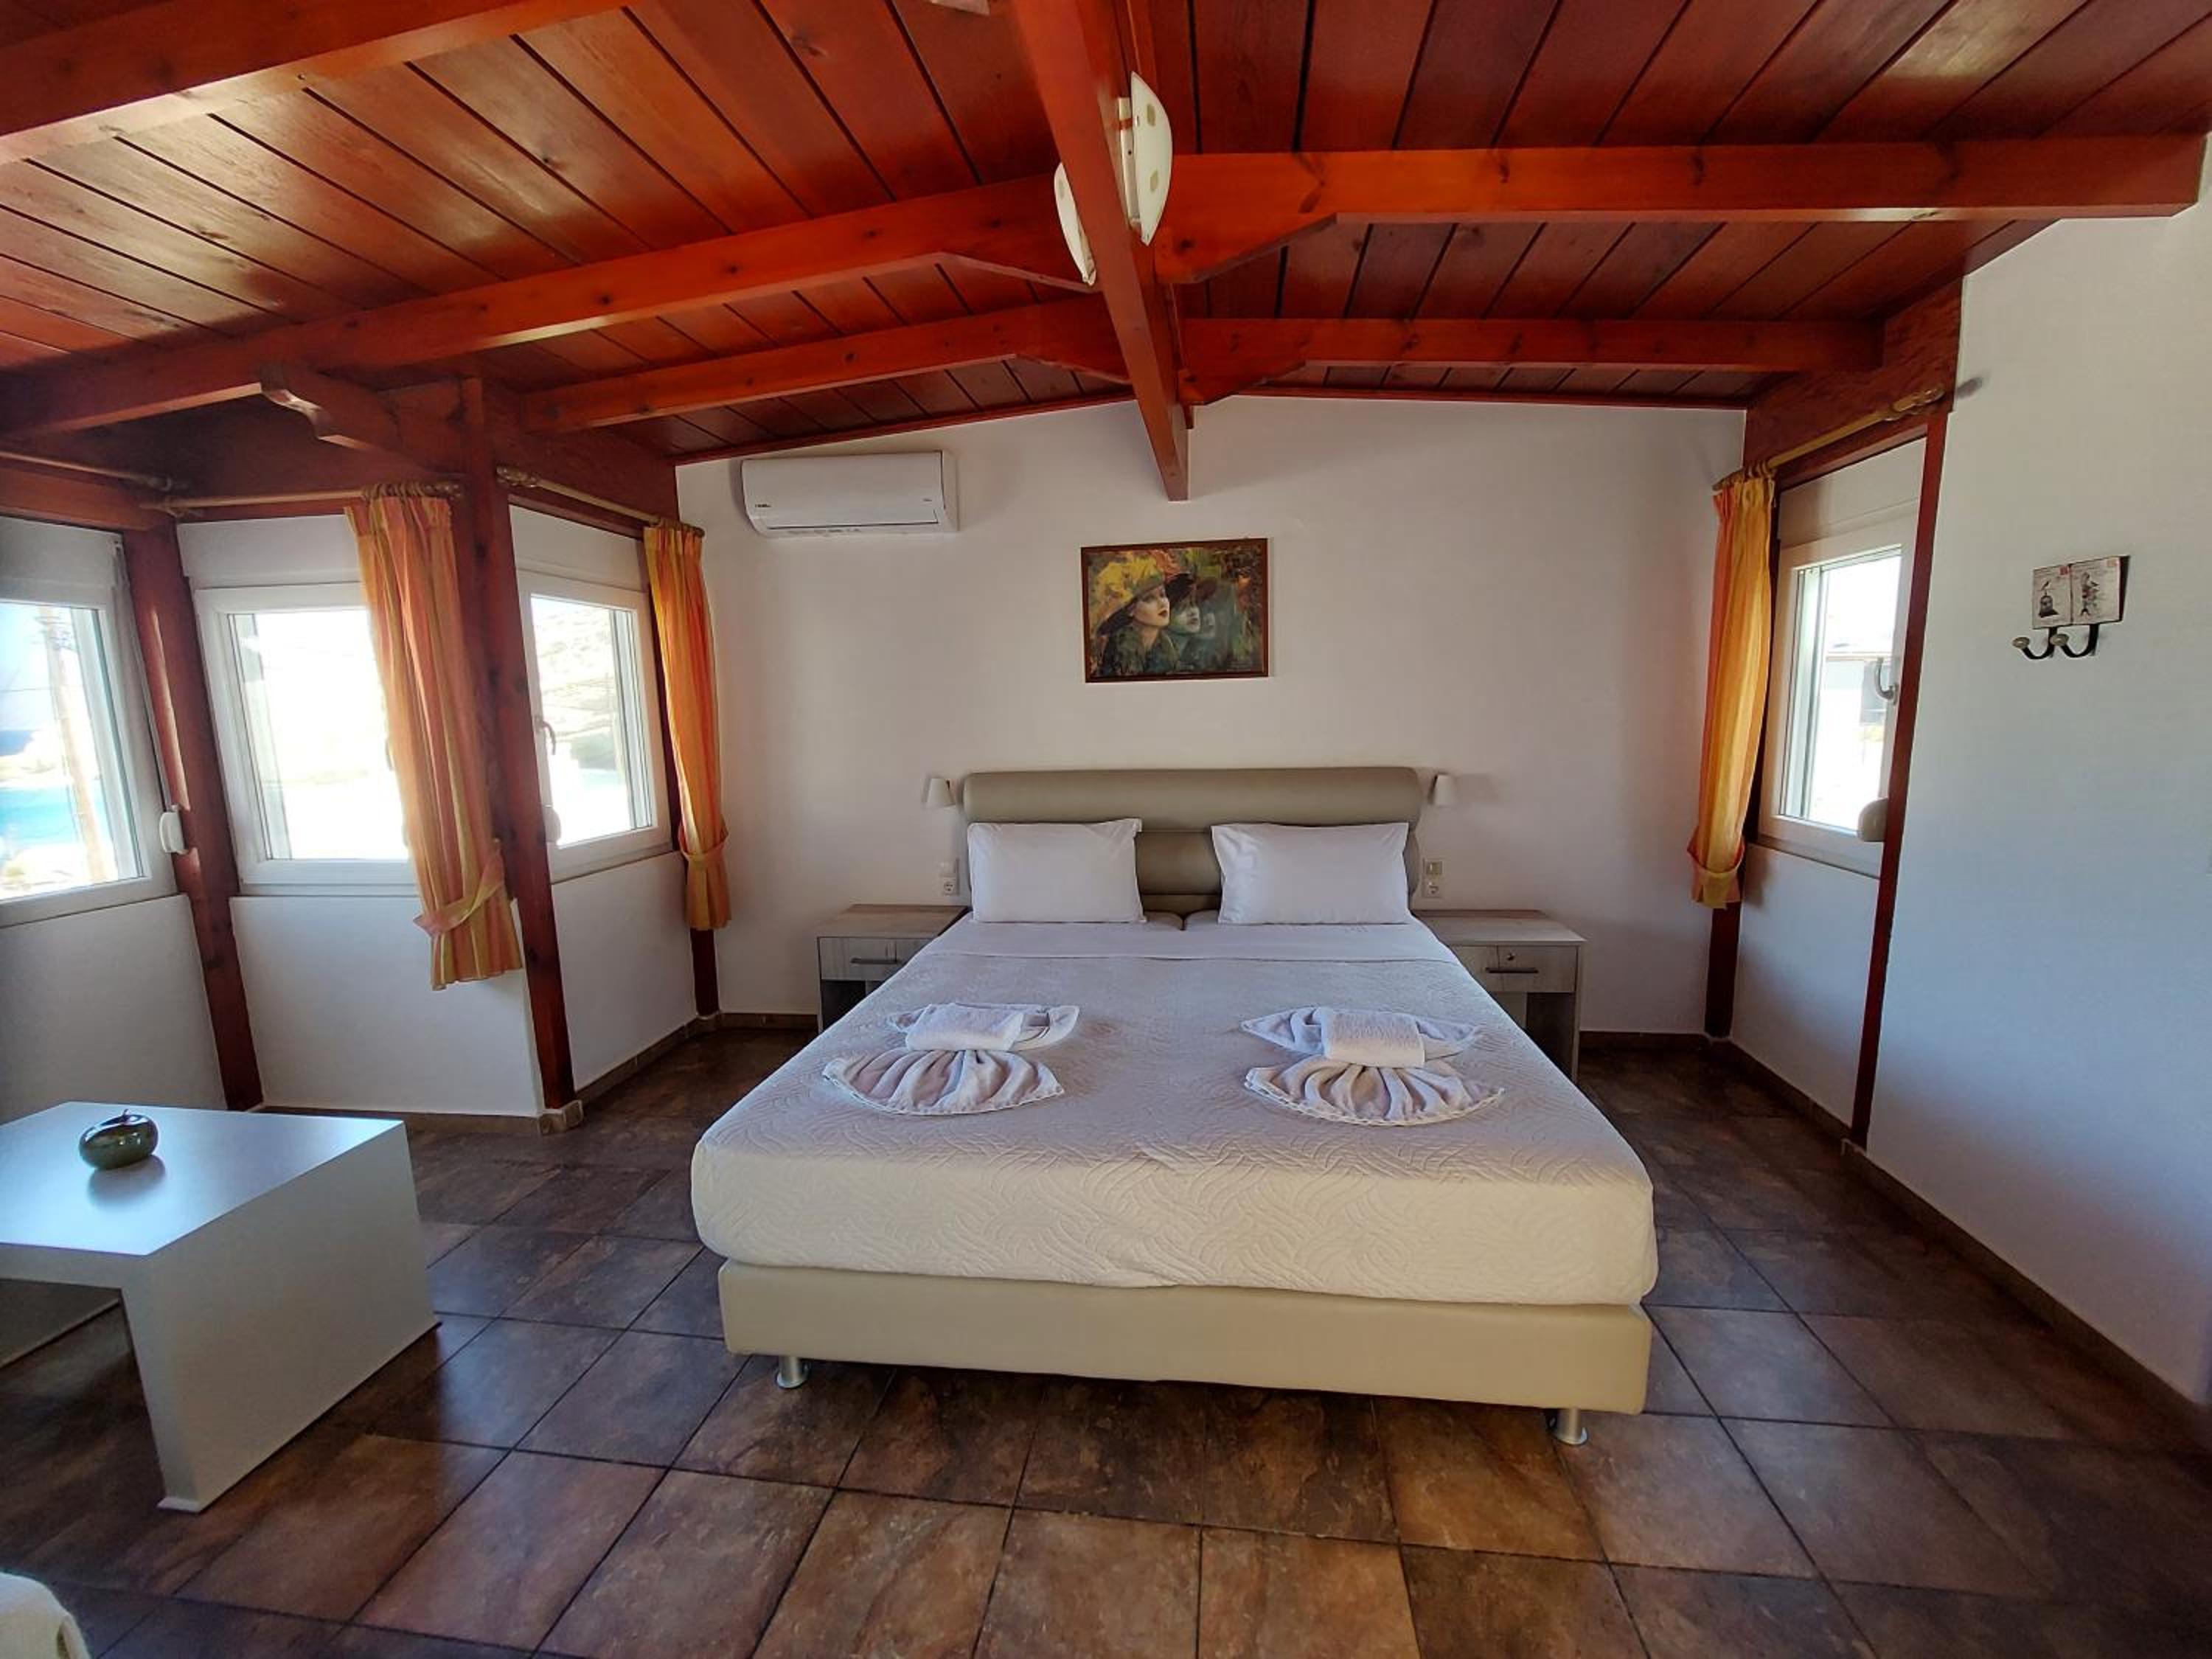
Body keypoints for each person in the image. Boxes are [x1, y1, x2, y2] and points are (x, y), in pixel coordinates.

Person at [1093, 574, 1181, 678]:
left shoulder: (1166, 645)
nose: (1162, 603)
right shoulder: (1121, 646)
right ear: (1131, 610)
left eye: (1163, 595)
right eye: (1149, 599)